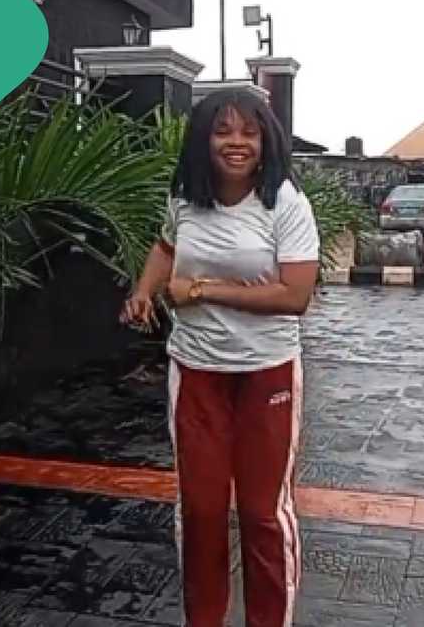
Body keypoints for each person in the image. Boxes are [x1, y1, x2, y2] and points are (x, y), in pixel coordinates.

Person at [120, 89, 320, 627]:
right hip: (196, 372)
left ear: (265, 140)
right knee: (202, 512)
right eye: (223, 131)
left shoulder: (285, 204)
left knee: (261, 514)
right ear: (204, 139)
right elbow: (166, 247)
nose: (236, 143)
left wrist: (205, 290)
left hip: (267, 373)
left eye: (248, 133)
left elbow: (294, 295)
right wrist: (144, 291)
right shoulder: (186, 197)